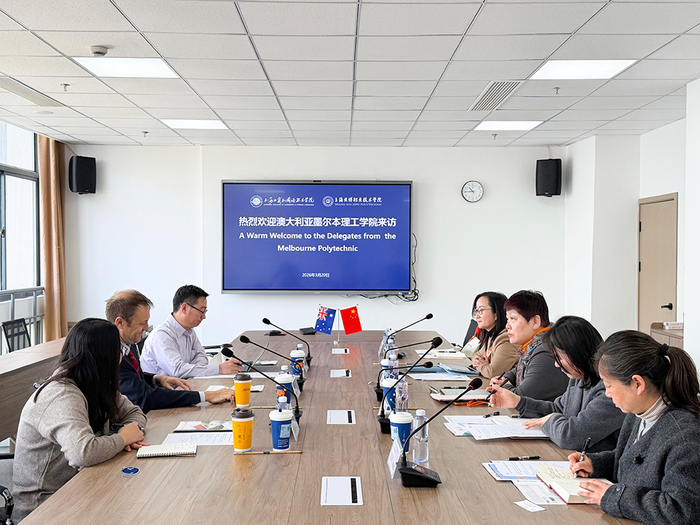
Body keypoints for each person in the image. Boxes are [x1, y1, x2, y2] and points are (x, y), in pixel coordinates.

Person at [12, 319, 148, 522]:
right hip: (44, 508)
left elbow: (135, 413)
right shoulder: (61, 394)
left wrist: (129, 432)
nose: (121, 357)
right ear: (105, 356)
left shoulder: (96, 384)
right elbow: (82, 453)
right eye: (118, 350)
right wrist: (122, 439)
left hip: (82, 486)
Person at [569, 331, 700, 525]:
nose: (607, 394)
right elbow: (631, 461)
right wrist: (594, 464)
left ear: (638, 384)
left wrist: (614, 496)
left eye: (609, 386)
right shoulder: (637, 413)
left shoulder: (684, 437)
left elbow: (682, 511)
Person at [489, 316, 624, 452]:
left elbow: (571, 436)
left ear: (577, 353)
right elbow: (558, 409)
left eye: (559, 358)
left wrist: (551, 419)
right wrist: (518, 402)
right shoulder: (579, 377)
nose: (556, 364)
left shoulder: (609, 391)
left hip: (589, 463)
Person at [106, 290, 235, 412]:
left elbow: (134, 379)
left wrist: (157, 379)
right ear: (120, 323)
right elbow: (144, 397)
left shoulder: (128, 344)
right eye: (142, 323)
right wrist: (205, 396)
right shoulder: (112, 355)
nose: (146, 329)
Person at [140, 285, 242, 378]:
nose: (204, 317)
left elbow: (202, 355)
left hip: (187, 384)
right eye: (202, 311)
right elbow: (178, 370)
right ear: (184, 308)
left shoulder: (188, 330)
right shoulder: (161, 335)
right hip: (167, 391)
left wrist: (191, 369)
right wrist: (219, 369)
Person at [487, 290, 568, 401]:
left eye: (513, 319)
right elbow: (516, 371)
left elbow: (520, 398)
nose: (507, 326)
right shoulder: (533, 346)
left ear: (535, 322)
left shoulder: (545, 352)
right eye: (507, 319)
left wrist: (502, 385)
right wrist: (505, 378)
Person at [468, 291, 519, 379]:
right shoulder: (491, 336)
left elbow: (492, 373)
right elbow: (476, 356)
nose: (477, 316)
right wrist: (481, 363)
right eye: (476, 311)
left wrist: (480, 366)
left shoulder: (506, 339)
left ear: (496, 314)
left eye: (481, 310)